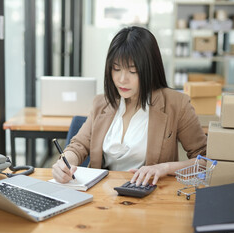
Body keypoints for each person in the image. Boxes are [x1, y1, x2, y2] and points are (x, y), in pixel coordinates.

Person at [52, 26, 207, 186]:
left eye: (133, 71)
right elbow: (79, 145)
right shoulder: (101, 103)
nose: (122, 79)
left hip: (151, 197)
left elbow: (205, 161)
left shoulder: (176, 104)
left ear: (150, 70)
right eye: (116, 69)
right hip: (102, 197)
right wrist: (65, 163)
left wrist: (165, 168)